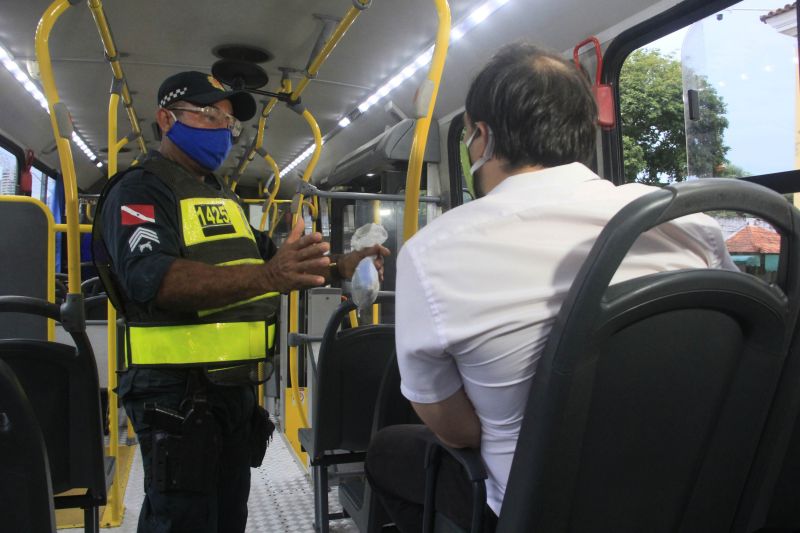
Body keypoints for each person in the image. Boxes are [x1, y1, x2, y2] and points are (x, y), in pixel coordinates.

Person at [365, 43, 736, 532]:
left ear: (482, 138)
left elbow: (456, 432)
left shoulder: (433, 253)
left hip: (539, 510)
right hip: (691, 491)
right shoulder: (687, 222)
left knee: (388, 453)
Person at [92, 70, 389, 533]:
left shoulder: (221, 198)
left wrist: (342, 267)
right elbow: (153, 281)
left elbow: (273, 264)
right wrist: (270, 275)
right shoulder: (141, 191)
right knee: (183, 521)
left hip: (230, 388)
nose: (223, 131)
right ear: (167, 119)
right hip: (174, 391)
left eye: (228, 124)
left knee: (228, 516)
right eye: (210, 115)